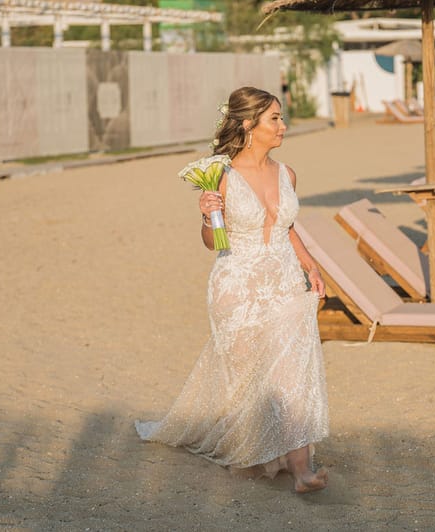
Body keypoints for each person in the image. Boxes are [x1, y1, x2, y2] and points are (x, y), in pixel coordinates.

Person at [135, 86, 329, 493]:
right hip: (237, 286)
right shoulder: (220, 175)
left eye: (280, 117)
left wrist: (310, 264)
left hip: (284, 281)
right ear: (248, 124)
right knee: (246, 378)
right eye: (274, 118)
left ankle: (302, 470)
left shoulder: (287, 173)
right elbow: (214, 244)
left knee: (293, 374)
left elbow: (287, 228)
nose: (283, 125)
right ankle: (254, 450)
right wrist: (208, 218)